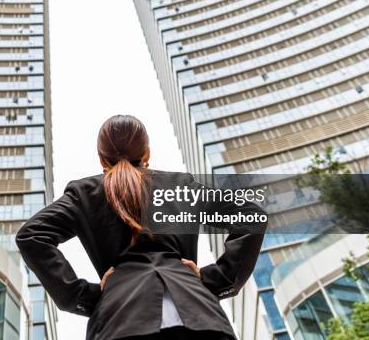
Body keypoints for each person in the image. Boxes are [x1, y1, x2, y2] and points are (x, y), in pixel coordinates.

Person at [16, 115, 266, 339]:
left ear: (102, 159)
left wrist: (83, 296)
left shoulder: (85, 193)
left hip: (121, 321)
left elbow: (32, 235)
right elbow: (251, 215)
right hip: (200, 317)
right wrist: (216, 278)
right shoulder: (180, 186)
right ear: (146, 154)